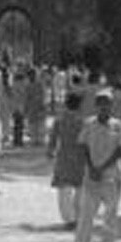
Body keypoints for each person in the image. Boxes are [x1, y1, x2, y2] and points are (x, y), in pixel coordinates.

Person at [70, 89, 121, 242]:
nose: (104, 106)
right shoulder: (89, 124)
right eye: (100, 103)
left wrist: (103, 167)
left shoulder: (118, 125)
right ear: (96, 106)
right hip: (92, 176)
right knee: (86, 213)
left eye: (107, 103)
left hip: (111, 176)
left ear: (111, 106)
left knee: (110, 214)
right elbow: (83, 146)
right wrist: (92, 167)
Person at [47, 90, 86, 228]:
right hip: (81, 156)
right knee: (80, 188)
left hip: (64, 155)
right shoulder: (83, 121)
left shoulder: (59, 119)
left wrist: (50, 151)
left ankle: (69, 219)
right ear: (80, 105)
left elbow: (53, 138)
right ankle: (79, 217)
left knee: (64, 189)